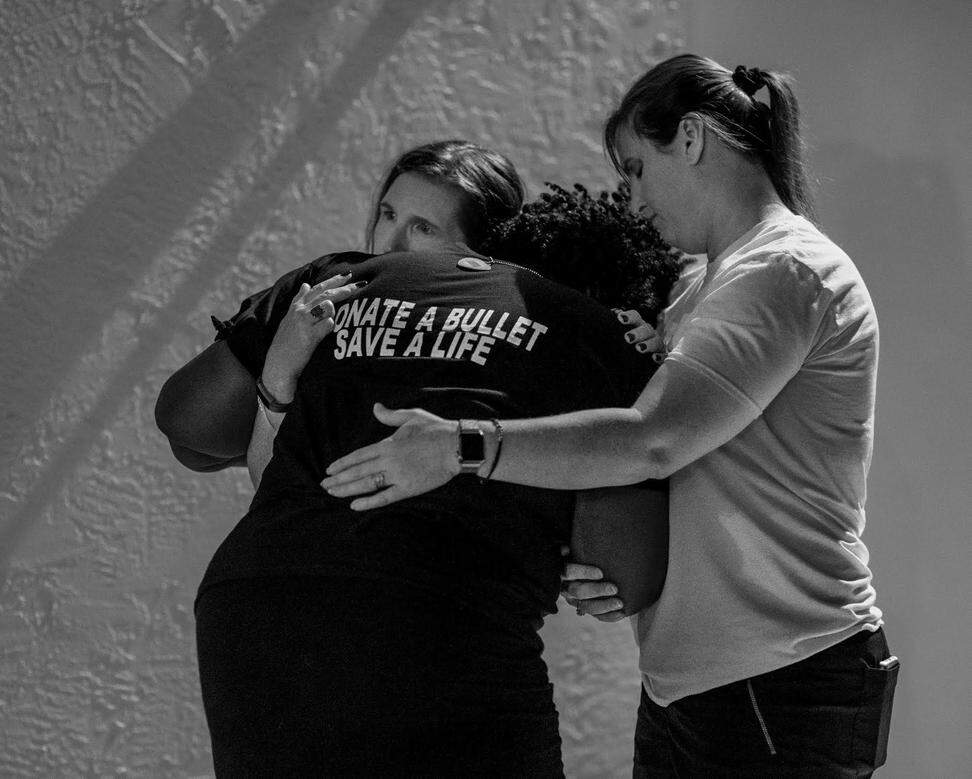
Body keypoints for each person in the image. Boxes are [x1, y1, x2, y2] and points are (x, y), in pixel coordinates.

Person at [322, 54, 898, 776]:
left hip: (782, 678)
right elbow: (687, 471)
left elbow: (654, 441)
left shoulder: (785, 271)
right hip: (689, 685)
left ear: (690, 139)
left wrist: (461, 446)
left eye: (634, 168)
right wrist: (611, 557)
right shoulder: (698, 282)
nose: (632, 198)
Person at [191, 182, 681, 775]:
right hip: (439, 612)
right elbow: (627, 571)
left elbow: (187, 425)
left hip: (249, 602)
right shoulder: (608, 337)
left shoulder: (344, 284)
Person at [154, 140, 527, 472]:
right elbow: (193, 437)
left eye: (423, 228)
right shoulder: (339, 285)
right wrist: (281, 373)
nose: (392, 241)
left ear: (485, 246)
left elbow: (198, 434)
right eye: (389, 214)